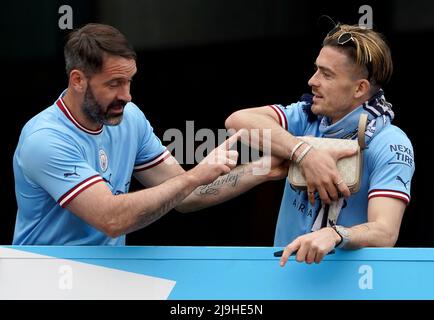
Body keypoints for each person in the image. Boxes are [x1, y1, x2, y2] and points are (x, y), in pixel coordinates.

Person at [13, 23, 286, 245]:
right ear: (78, 80)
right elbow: (111, 220)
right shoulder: (45, 139)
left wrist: (264, 168)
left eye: (129, 81)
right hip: (45, 278)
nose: (127, 95)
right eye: (114, 83)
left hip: (106, 275)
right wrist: (193, 176)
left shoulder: (130, 118)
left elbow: (187, 194)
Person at [225, 23, 415, 265]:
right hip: (285, 275)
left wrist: (336, 234)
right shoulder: (307, 116)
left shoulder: (389, 142)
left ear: (360, 88)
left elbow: (385, 232)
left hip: (347, 284)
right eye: (316, 70)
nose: (312, 81)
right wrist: (304, 153)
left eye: (326, 74)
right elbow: (237, 122)